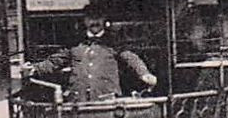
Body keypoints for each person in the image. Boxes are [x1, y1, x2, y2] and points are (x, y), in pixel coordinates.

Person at [23, 10, 157, 101]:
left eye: (98, 18)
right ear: (84, 21)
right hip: (78, 100)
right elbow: (54, 61)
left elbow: (131, 57)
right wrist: (35, 68)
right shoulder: (75, 44)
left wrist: (143, 73)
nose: (94, 22)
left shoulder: (114, 42)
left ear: (104, 20)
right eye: (90, 18)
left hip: (107, 99)